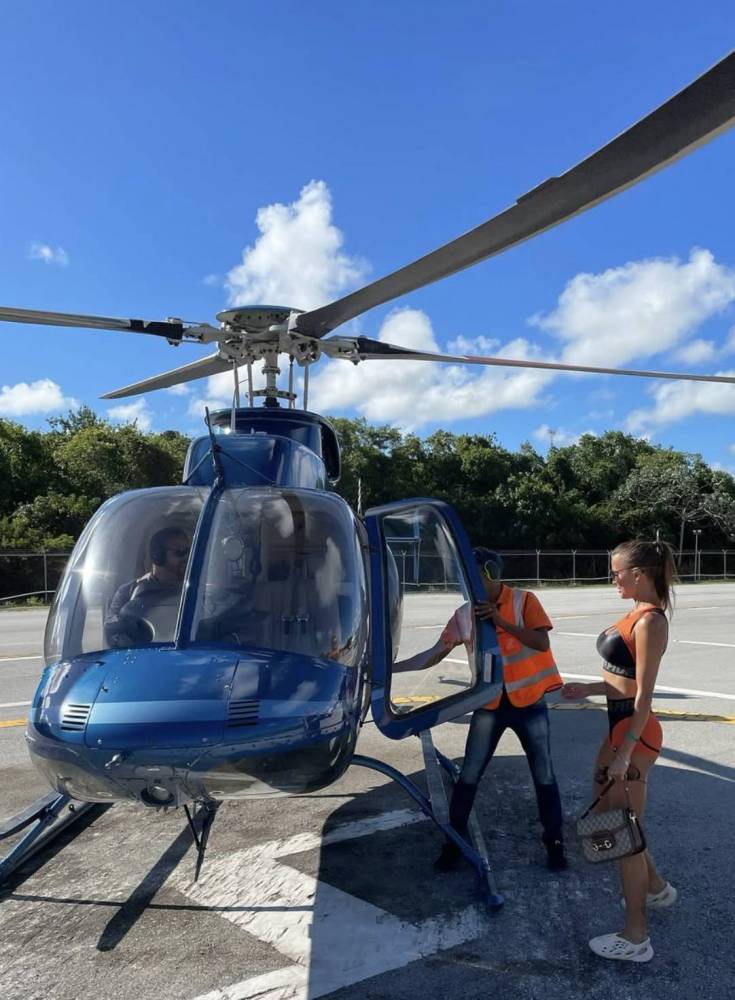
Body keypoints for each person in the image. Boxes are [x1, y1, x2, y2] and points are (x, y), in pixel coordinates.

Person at [397, 547, 567, 871]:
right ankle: (454, 842)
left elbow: (541, 642)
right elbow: (433, 654)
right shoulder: (464, 614)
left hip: (529, 702)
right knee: (470, 774)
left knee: (543, 773)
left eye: (473, 575)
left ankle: (555, 843)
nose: (468, 583)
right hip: (489, 704)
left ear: (491, 573)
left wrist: (500, 620)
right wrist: (389, 669)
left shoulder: (524, 601)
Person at [561, 539, 678, 964]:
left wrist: (625, 752)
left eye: (617, 573)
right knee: (616, 822)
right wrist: (589, 688)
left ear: (639, 574)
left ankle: (635, 938)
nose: (613, 579)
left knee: (623, 837)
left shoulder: (650, 622)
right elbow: (623, 678)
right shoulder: (635, 614)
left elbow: (644, 695)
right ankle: (657, 889)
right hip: (619, 728)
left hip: (634, 733)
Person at [105, 527, 190, 647]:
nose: (186, 558)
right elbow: (112, 630)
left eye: (189, 552)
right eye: (180, 552)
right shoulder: (129, 591)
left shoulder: (195, 590)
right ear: (157, 555)